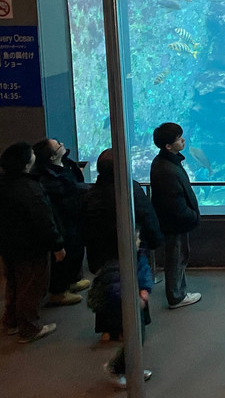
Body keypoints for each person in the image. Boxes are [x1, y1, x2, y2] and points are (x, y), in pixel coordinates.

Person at [82, 148, 160, 386]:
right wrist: (155, 240)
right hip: (126, 256)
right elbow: (146, 216)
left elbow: (84, 226)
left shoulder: (91, 193)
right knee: (135, 310)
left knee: (109, 292)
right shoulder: (130, 190)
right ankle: (124, 363)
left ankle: (109, 331)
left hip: (101, 256)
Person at [0, 141, 65, 342]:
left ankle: (11, 322)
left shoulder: (4, 184)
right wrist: (57, 244)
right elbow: (43, 219)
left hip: (8, 245)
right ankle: (29, 328)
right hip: (31, 247)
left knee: (13, 283)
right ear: (26, 163)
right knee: (31, 286)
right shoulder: (30, 188)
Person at [32, 138, 90, 306]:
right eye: (58, 145)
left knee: (75, 251)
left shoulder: (65, 164)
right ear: (52, 157)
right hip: (63, 221)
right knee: (63, 257)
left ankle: (71, 282)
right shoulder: (47, 178)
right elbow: (65, 193)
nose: (62, 145)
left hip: (74, 217)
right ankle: (58, 292)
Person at [149, 122, 201, 309]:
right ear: (168, 146)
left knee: (177, 257)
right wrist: (192, 216)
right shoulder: (167, 170)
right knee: (176, 258)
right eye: (179, 139)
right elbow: (174, 203)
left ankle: (178, 291)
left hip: (174, 222)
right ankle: (176, 296)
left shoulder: (165, 162)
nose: (183, 140)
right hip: (175, 224)